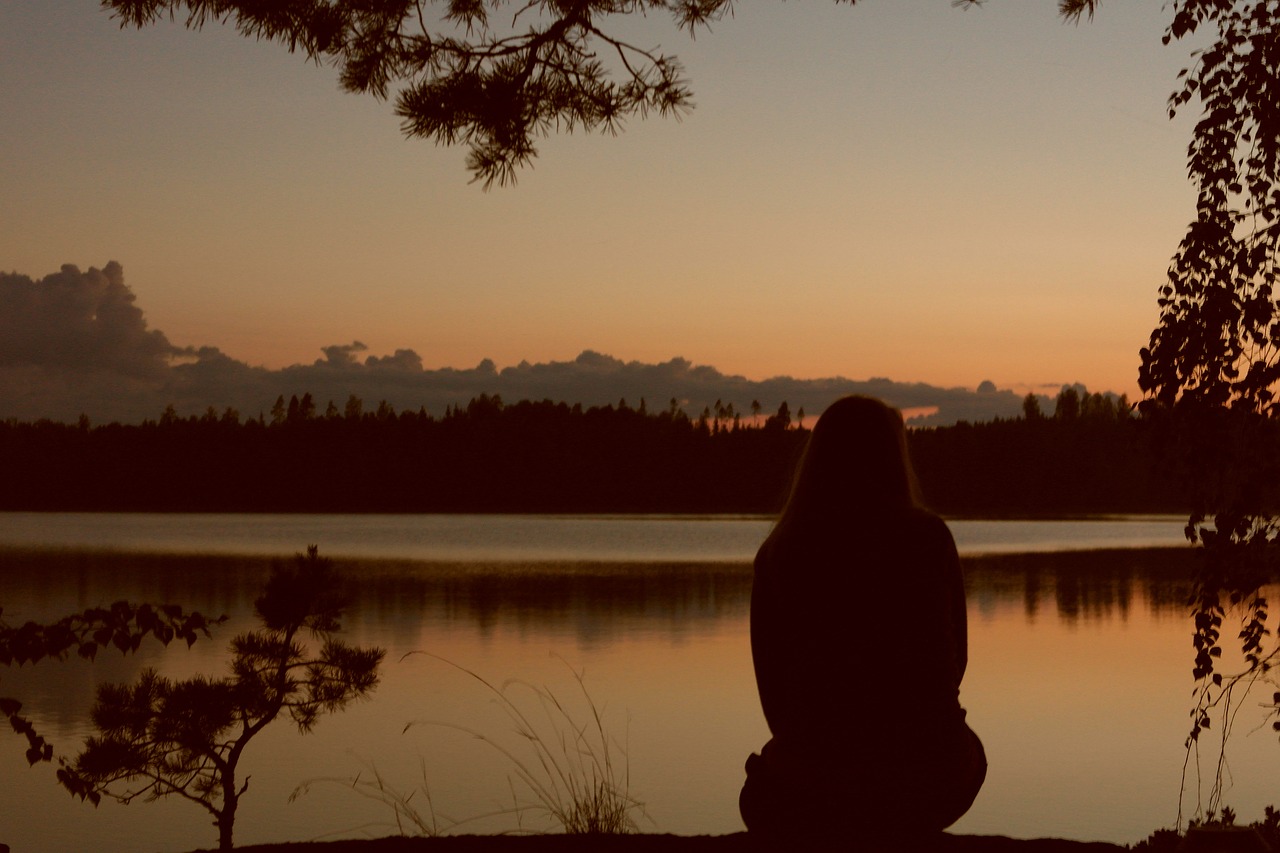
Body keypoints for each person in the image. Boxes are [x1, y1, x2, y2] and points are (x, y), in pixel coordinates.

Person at [739, 395, 985, 846]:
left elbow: (774, 704)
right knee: (971, 754)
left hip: (817, 785)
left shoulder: (781, 553)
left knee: (761, 789)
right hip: (930, 777)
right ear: (894, 460)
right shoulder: (929, 538)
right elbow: (957, 665)